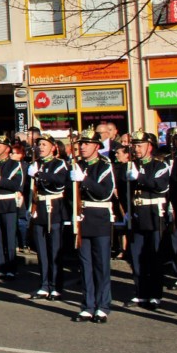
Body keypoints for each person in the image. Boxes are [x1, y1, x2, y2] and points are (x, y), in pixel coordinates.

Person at [72, 130, 115, 324]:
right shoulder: (77, 165)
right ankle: (88, 305)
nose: (82, 146)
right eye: (81, 143)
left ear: (97, 146)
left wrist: (85, 181)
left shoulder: (104, 166)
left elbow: (105, 193)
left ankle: (103, 305)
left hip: (99, 218)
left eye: (87, 143)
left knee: (101, 265)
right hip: (82, 218)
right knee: (85, 265)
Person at [126, 131, 169, 309]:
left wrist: (140, 178)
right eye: (134, 145)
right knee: (137, 257)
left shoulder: (159, 165)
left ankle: (155, 293)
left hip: (153, 214)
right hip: (137, 214)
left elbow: (160, 185)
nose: (136, 149)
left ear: (149, 147)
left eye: (140, 146)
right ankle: (141, 292)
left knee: (154, 256)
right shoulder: (131, 165)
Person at [28, 135, 69, 301]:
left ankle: (56, 285)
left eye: (44, 144)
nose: (41, 147)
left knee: (54, 250)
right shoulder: (36, 163)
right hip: (39, 208)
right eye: (39, 145)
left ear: (53, 147)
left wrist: (40, 175)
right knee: (42, 251)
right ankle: (44, 284)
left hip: (54, 208)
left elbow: (60, 181)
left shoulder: (59, 164)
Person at [0, 134, 25, 279]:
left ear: (7, 148)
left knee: (9, 237)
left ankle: (11, 266)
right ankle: (0, 264)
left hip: (9, 203)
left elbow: (17, 184)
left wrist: (0, 180)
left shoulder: (14, 165)